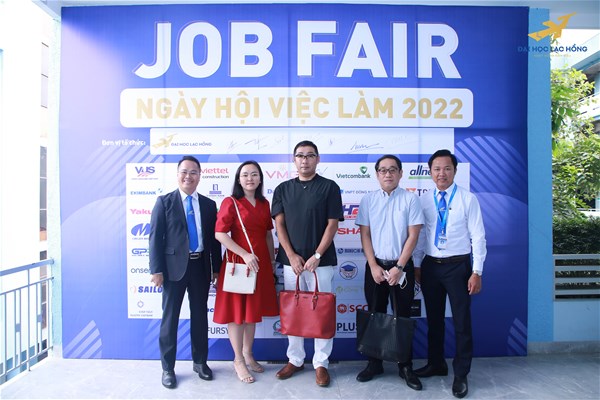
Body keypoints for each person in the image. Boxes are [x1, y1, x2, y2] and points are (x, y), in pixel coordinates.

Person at [413, 149, 486, 399]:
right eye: (436, 169)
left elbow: (478, 236)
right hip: (431, 266)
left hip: (458, 267)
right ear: (430, 172)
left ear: (455, 171)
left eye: (446, 168)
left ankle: (461, 373)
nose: (441, 173)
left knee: (461, 322)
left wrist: (477, 271)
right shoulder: (424, 200)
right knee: (434, 319)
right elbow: (420, 236)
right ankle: (436, 363)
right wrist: (417, 265)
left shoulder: (468, 199)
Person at [271, 140, 344, 387]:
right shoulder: (282, 189)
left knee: (321, 311)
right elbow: (279, 225)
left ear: (318, 159)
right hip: (292, 262)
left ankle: (321, 363)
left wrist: (318, 255)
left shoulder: (329, 187)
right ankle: (295, 359)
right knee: (294, 310)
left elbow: (332, 224)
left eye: (310, 155)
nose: (305, 160)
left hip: (320, 262)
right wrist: (291, 255)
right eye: (300, 155)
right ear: (294, 160)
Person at [149, 155, 222, 389]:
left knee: (200, 316)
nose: (188, 176)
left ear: (200, 176)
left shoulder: (209, 205)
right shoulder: (164, 202)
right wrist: (156, 270)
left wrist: (216, 268)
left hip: (200, 267)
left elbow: (214, 241)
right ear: (177, 174)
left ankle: (200, 363)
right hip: (172, 270)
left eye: (193, 172)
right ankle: (167, 368)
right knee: (170, 319)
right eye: (184, 171)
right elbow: (155, 238)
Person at [354, 154, 424, 391]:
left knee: (402, 317)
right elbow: (365, 234)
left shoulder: (411, 199)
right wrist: (373, 265)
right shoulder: (368, 200)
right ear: (377, 174)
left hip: (401, 267)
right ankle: (374, 364)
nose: (388, 174)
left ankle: (405, 366)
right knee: (376, 314)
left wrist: (399, 267)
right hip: (375, 266)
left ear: (400, 173)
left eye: (393, 169)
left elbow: (413, 236)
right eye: (383, 170)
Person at [213, 161, 279, 384]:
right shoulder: (230, 202)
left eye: (254, 174)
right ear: (238, 180)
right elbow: (220, 234)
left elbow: (268, 234)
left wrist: (271, 260)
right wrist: (245, 254)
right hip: (238, 265)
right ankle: (238, 359)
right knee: (237, 314)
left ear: (260, 179)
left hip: (260, 265)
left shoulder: (264, 203)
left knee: (252, 311)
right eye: (245, 175)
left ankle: (249, 354)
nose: (249, 178)